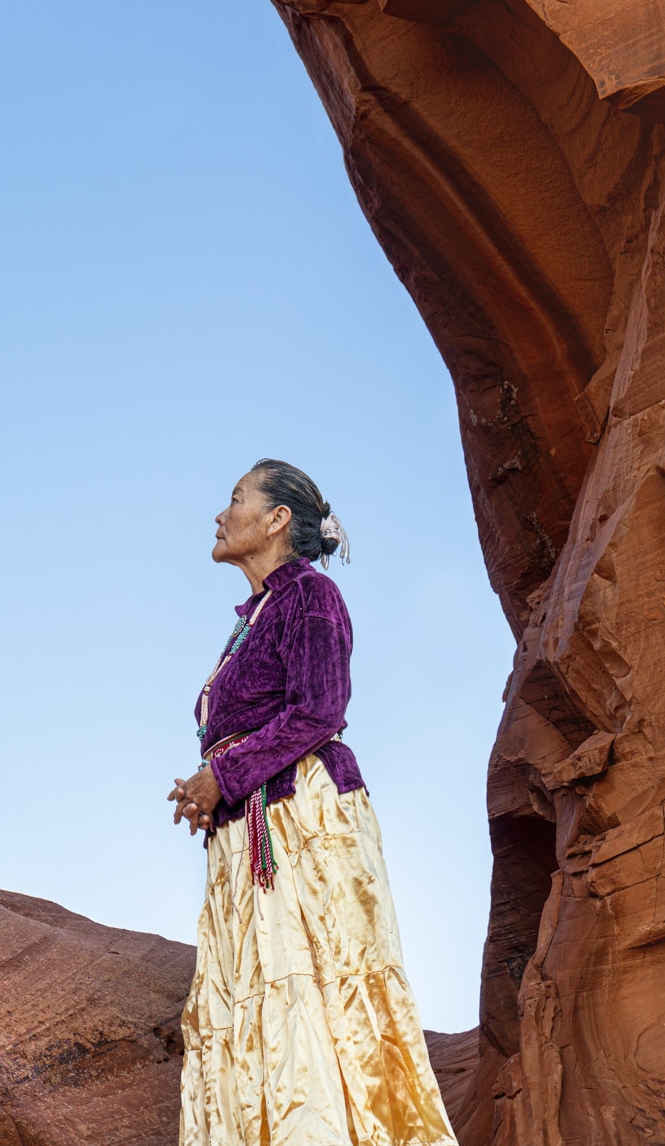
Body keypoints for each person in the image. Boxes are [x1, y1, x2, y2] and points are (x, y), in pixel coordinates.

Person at [168, 459, 454, 1146]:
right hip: (252, 822)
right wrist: (214, 783)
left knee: (314, 986)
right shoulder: (257, 613)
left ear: (275, 520)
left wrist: (223, 774)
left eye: (235, 499)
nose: (219, 513)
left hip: (301, 819)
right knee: (256, 999)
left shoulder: (309, 596)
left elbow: (320, 709)